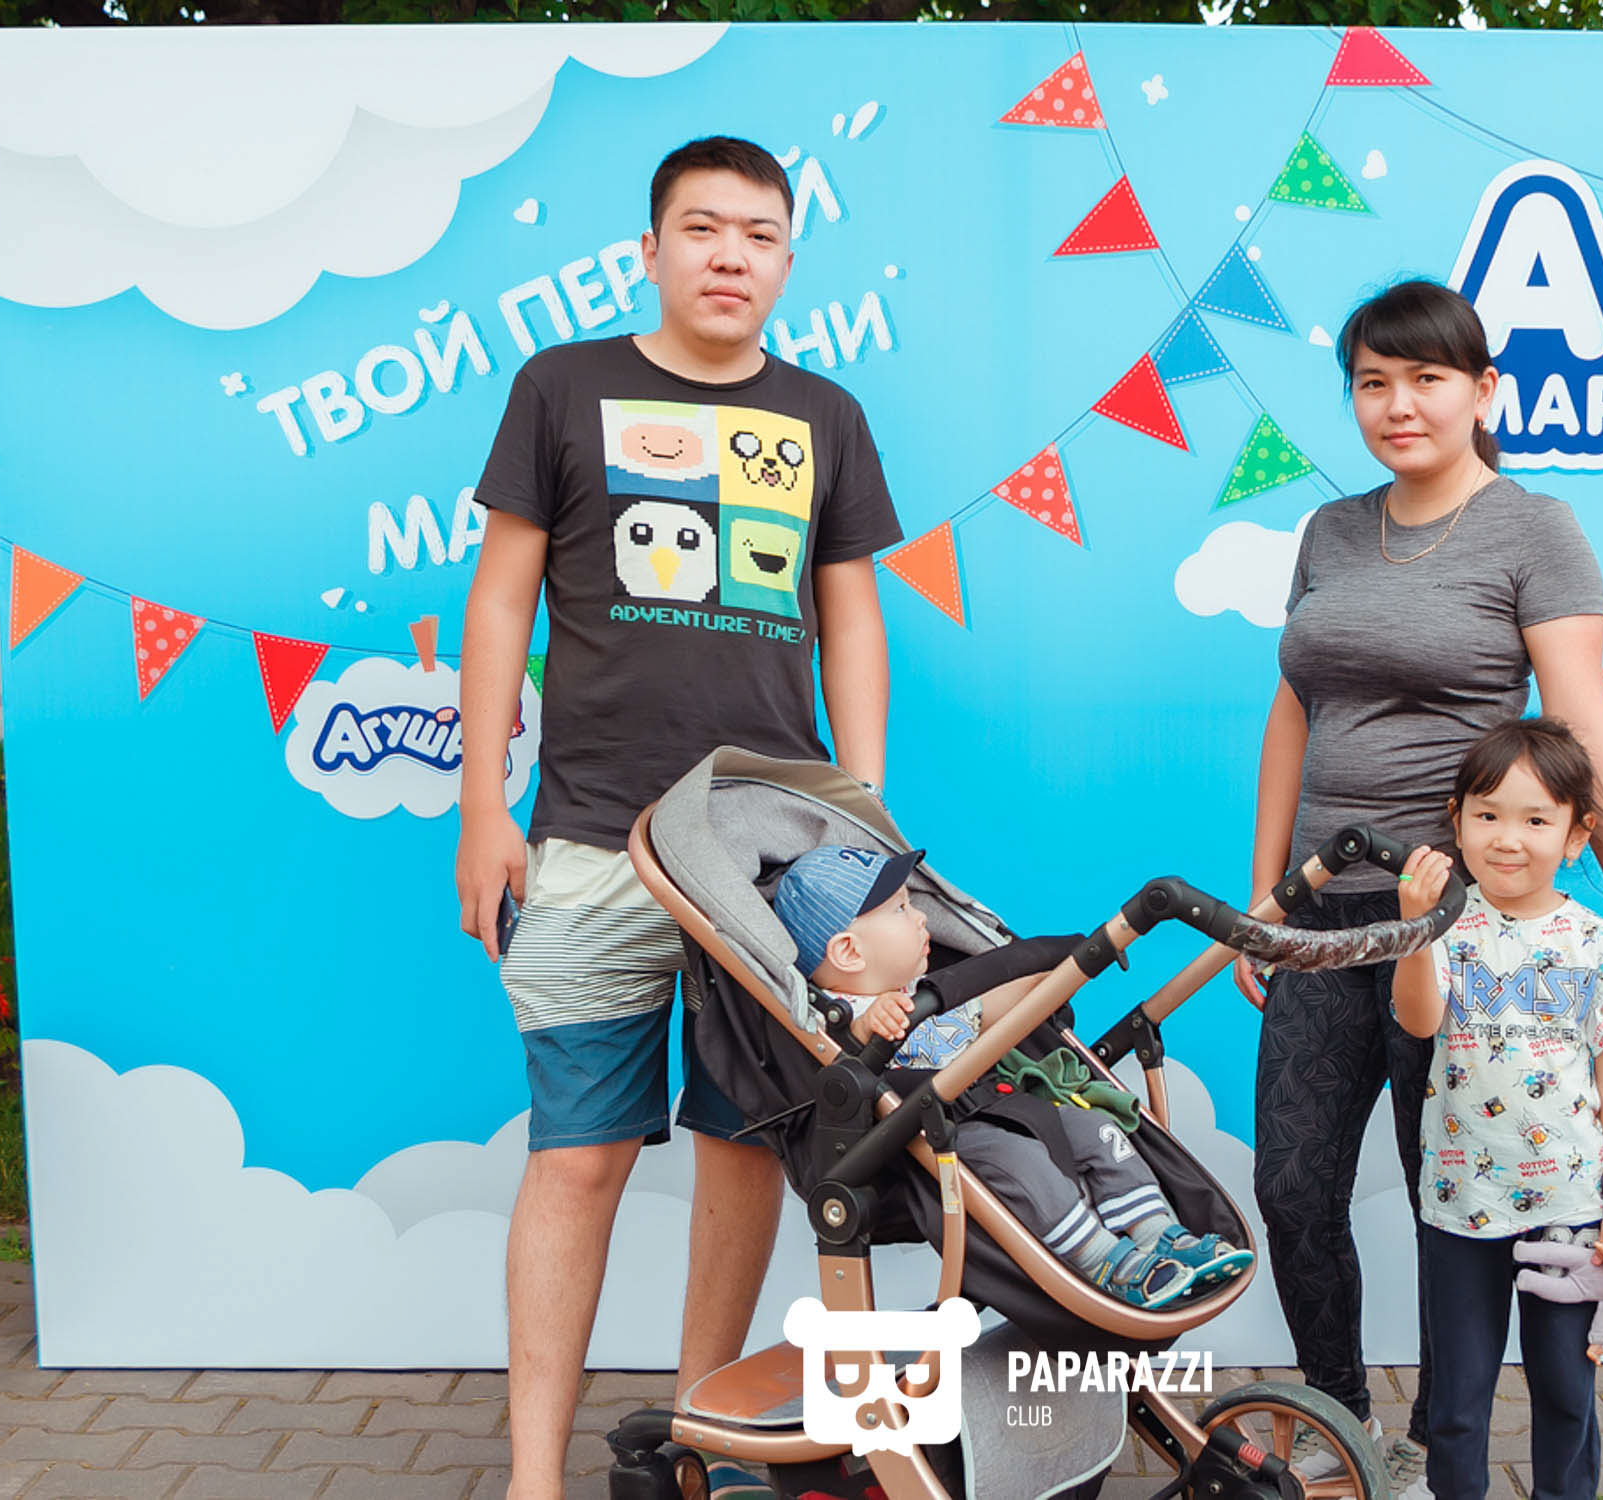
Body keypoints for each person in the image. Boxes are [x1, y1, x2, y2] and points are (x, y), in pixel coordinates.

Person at [455, 136, 903, 1500]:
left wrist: (860, 823)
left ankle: (700, 1445)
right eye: (702, 229)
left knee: (744, 1150)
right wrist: (482, 806)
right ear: (649, 251)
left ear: (786, 261)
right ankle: (534, 1476)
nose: (729, 256)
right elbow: (500, 598)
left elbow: (850, 616)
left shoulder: (824, 413)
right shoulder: (561, 388)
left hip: (768, 859)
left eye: (758, 235)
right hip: (591, 839)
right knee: (574, 1160)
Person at [1235, 278, 1603, 1496]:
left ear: (1482, 391)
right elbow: (1293, 711)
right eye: (1372, 382)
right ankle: (1338, 1417)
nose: (1398, 405)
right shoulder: (1328, 531)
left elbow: (1579, 721)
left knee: (1450, 1194)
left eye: (1426, 379)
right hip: (1322, 914)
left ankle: (1442, 1437)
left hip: (1460, 928)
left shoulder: (1532, 529)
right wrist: (1264, 898)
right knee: (1292, 1185)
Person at [772, 844, 1254, 1306]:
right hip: (952, 1134)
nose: (921, 917)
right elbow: (848, 1052)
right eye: (901, 909)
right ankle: (1106, 1263)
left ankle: (1161, 1234)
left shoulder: (929, 993)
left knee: (1096, 1127)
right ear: (849, 952)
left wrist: (1069, 968)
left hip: (1011, 1105)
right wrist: (869, 1026)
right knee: (1019, 1159)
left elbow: (997, 1006)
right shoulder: (838, 1017)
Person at [1389, 718, 1603, 1500]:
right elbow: (1417, 1023)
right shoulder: (1442, 927)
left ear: (1576, 835)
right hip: (1459, 1201)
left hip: (1567, 1206)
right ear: (1456, 821)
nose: (1507, 838)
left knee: (1565, 1391)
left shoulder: (1599, 944)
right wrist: (1413, 928)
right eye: (1488, 814)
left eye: (1536, 819)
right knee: (1457, 1400)